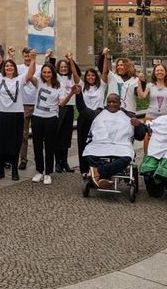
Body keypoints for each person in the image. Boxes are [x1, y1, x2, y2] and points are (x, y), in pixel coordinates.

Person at [74, 90, 143, 188]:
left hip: (121, 145)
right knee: (88, 154)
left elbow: (140, 136)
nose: (111, 104)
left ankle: (99, 172)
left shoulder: (129, 116)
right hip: (100, 144)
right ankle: (105, 174)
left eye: (114, 102)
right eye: (109, 102)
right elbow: (83, 110)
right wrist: (78, 95)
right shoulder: (98, 113)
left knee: (127, 158)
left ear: (120, 103)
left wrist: (138, 126)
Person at [0, 47, 37, 181]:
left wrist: (33, 59)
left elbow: (30, 73)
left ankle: (15, 168)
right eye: (7, 66)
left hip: (15, 115)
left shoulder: (19, 79)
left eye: (11, 66)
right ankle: (1, 169)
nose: (9, 68)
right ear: (3, 68)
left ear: (14, 69)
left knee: (15, 142)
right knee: (0, 142)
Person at [30, 52, 67, 185]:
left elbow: (62, 103)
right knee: (37, 145)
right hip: (37, 117)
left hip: (51, 119)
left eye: (49, 72)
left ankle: (48, 172)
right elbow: (29, 76)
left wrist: (72, 93)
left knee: (50, 146)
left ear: (53, 73)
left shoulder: (59, 86)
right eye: (44, 72)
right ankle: (39, 170)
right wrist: (33, 59)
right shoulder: (39, 82)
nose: (46, 74)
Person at [71, 50, 110, 178]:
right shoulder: (82, 86)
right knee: (83, 143)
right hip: (84, 118)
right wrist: (71, 60)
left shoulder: (101, 86)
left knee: (96, 142)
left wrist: (105, 56)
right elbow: (75, 75)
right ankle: (84, 169)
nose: (90, 77)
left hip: (97, 117)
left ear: (96, 77)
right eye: (88, 76)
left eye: (93, 75)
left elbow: (104, 72)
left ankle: (96, 167)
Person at [53, 55, 77, 173]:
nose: (63, 69)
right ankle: (57, 162)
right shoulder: (56, 77)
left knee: (66, 135)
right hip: (58, 107)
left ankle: (65, 161)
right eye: (61, 67)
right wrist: (49, 57)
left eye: (65, 66)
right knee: (58, 134)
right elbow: (50, 67)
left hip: (69, 107)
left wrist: (70, 60)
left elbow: (75, 70)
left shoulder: (72, 77)